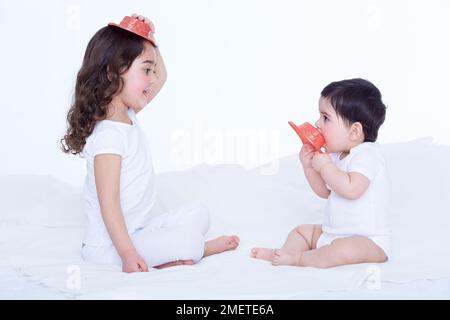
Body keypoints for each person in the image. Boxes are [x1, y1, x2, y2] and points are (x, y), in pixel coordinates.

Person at [61, 14, 239, 273]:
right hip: (108, 248)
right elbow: (108, 203)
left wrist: (150, 40)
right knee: (188, 240)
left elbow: (163, 76)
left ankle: (174, 250)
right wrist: (128, 254)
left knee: (199, 213)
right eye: (146, 70)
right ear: (113, 73)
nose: (153, 79)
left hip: (139, 230)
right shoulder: (109, 136)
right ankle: (197, 248)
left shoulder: (127, 116)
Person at [251, 78, 390, 268]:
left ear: (355, 132)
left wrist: (325, 167)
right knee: (301, 232)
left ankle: (298, 259)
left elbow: (351, 189)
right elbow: (326, 192)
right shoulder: (337, 157)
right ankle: (284, 253)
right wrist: (309, 167)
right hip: (332, 234)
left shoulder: (367, 155)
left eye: (325, 118)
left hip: (368, 242)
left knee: (343, 249)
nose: (317, 123)